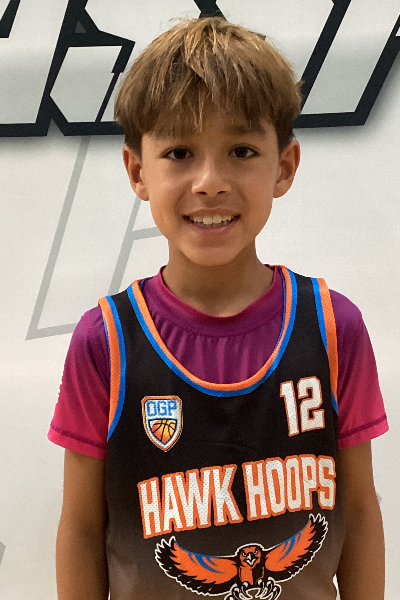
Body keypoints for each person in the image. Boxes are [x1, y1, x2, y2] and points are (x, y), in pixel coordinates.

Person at [49, 17, 388, 600]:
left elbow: (357, 512)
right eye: (179, 152)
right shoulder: (105, 341)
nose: (210, 182)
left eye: (241, 150)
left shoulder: (334, 328)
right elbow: (81, 528)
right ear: (138, 172)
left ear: (284, 166)